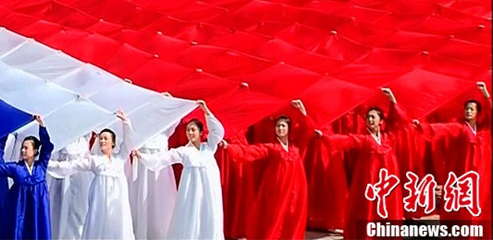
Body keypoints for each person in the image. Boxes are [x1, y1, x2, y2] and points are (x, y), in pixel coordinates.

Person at [316, 88, 408, 240]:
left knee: (388, 210)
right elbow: (345, 140)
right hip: (370, 184)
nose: (370, 120)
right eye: (368, 117)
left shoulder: (390, 137)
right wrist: (324, 137)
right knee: (369, 211)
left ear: (381, 121)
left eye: (373, 117)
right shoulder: (364, 140)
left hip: (388, 186)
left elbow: (401, 122)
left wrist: (392, 100)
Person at [134, 101, 224, 240]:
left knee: (209, 214)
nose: (190, 133)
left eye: (193, 130)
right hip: (192, 192)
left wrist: (206, 112)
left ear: (201, 132)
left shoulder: (209, 147)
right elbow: (163, 158)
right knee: (191, 216)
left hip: (209, 191)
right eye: (188, 130)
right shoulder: (184, 151)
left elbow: (218, 132)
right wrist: (141, 156)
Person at [224, 100, 312, 239]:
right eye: (278, 126)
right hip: (277, 188)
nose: (280, 128)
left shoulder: (296, 146)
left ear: (289, 128)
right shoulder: (272, 148)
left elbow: (307, 131)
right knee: (276, 216)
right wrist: (228, 147)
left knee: (293, 215)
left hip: (296, 189)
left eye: (283, 126)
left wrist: (302, 111)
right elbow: (250, 151)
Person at [48, 111, 136, 240]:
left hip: (117, 201)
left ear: (113, 142)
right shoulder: (95, 160)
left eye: (106, 138)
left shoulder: (119, 159)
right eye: (100, 138)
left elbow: (129, 143)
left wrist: (126, 123)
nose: (102, 141)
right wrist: (46, 164)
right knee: (98, 224)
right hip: (100, 202)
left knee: (119, 222)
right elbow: (71, 166)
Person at [418, 82, 491, 231]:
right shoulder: (459, 129)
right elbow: (440, 129)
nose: (468, 112)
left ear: (478, 112)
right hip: (463, 174)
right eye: (466, 109)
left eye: (472, 109)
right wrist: (420, 126)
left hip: (482, 176)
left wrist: (486, 95)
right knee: (463, 207)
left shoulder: (485, 131)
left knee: (481, 205)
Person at [47, 134, 92, 240]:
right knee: (59, 211)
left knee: (80, 211)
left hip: (81, 175)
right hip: (60, 174)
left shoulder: (84, 136)